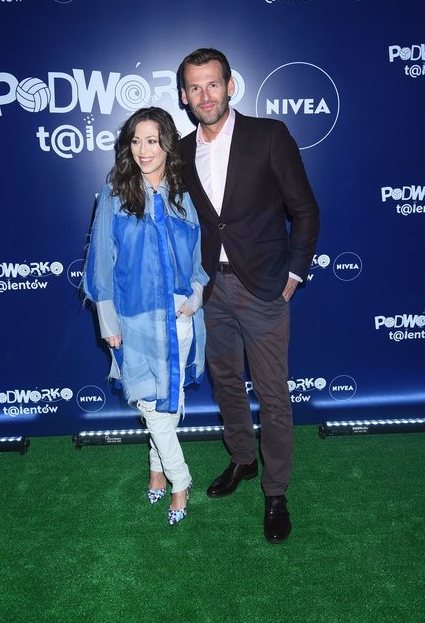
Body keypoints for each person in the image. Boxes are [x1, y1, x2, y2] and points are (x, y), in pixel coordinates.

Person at [178, 48, 319, 543]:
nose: (205, 96)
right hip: (210, 289)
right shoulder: (179, 151)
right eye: (194, 88)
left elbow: (305, 210)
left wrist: (295, 272)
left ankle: (276, 492)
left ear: (230, 86)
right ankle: (242, 459)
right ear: (184, 96)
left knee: (273, 393)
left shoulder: (269, 135)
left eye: (212, 84)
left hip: (262, 287)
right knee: (225, 383)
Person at [83, 107, 209, 526]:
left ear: (167, 144)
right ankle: (180, 480)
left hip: (179, 318)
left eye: (151, 140)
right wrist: (109, 322)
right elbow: (100, 264)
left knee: (169, 403)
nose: (143, 150)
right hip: (133, 320)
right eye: (135, 141)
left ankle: (156, 469)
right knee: (150, 406)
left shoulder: (183, 195)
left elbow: (197, 258)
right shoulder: (114, 196)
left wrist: (195, 296)